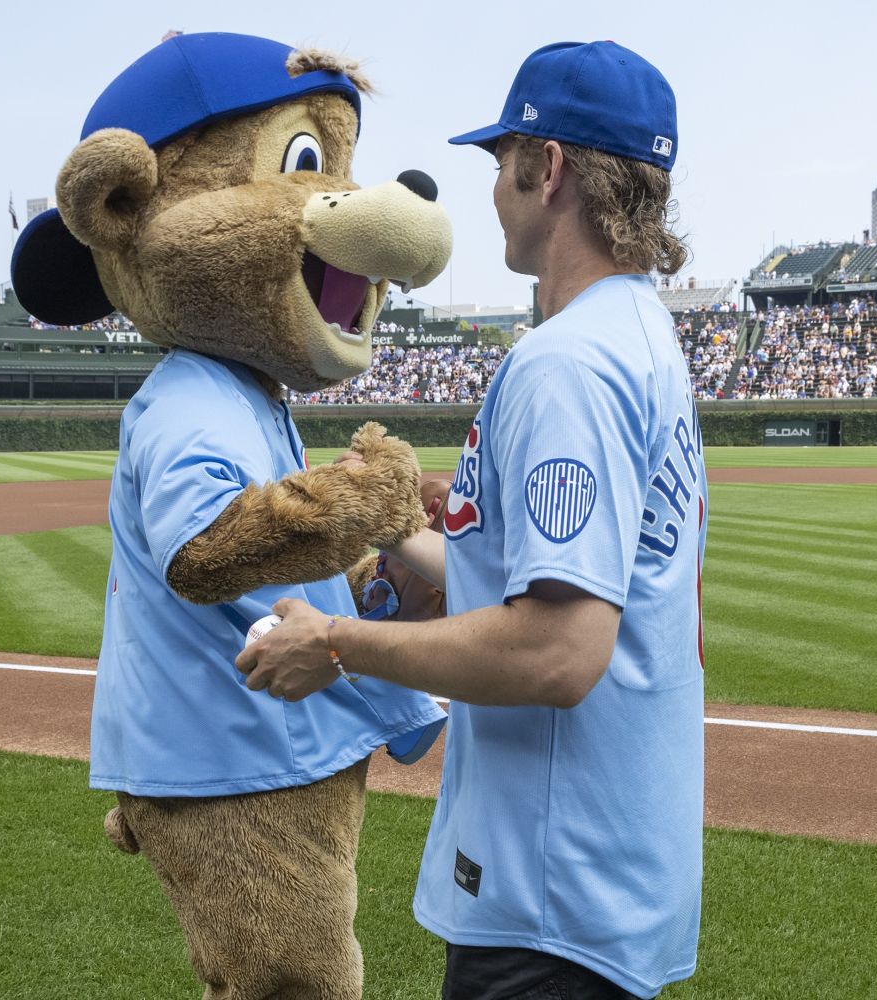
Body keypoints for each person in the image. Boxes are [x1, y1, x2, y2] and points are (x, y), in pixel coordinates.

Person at [238, 39, 706, 999]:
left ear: (552, 169)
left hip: (550, 896)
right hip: (614, 875)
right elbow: (550, 581)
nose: (494, 181)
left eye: (503, 159)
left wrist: (335, 641)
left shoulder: (566, 363)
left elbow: (557, 652)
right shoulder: (644, 335)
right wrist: (400, 528)